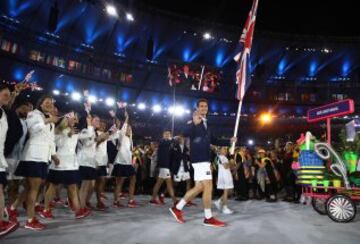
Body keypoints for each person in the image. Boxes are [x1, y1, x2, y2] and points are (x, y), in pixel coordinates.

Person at [169, 98, 236, 227]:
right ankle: (208, 217)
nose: (204, 108)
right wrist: (194, 123)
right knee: (208, 186)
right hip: (199, 159)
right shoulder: (194, 120)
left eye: (206, 106)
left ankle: (177, 208)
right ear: (197, 108)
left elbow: (214, 140)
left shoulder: (207, 124)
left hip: (204, 159)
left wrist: (229, 141)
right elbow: (184, 133)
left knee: (200, 187)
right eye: (201, 106)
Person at [15, 95, 59, 230]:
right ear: (40, 104)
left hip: (43, 157)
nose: (49, 104)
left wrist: (54, 155)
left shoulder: (50, 120)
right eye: (47, 102)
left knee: (30, 188)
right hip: (33, 156)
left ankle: (11, 208)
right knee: (34, 189)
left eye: (51, 103)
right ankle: (30, 220)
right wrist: (47, 121)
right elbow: (32, 129)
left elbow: (50, 140)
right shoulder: (34, 114)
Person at [40, 113, 90, 219]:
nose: (75, 121)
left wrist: (89, 124)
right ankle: (45, 210)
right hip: (60, 163)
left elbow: (88, 135)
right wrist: (67, 135)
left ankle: (78, 211)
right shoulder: (59, 130)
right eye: (73, 118)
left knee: (72, 187)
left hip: (71, 164)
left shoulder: (75, 131)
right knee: (53, 186)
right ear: (67, 119)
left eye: (76, 119)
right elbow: (58, 145)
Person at [0, 85, 19, 237]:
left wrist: (15, 94)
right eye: (4, 95)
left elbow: (8, 105)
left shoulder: (3, 112)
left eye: (8, 95)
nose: (8, 97)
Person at [112, 111, 138, 208]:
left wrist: (132, 162)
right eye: (128, 128)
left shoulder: (130, 139)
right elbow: (123, 127)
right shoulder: (121, 135)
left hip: (127, 163)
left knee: (133, 179)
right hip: (121, 162)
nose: (129, 129)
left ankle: (131, 200)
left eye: (130, 129)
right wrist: (127, 117)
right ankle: (116, 201)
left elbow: (130, 153)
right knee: (120, 182)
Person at [150, 130, 177, 206]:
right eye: (166, 134)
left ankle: (153, 199)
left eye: (169, 134)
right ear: (163, 135)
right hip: (163, 165)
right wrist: (172, 139)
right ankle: (174, 200)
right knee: (169, 184)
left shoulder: (169, 143)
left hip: (165, 166)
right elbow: (168, 142)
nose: (167, 135)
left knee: (159, 183)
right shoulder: (162, 141)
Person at [170, 135, 196, 206]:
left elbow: (188, 157)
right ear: (178, 140)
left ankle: (187, 199)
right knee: (175, 184)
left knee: (188, 181)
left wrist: (189, 161)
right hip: (177, 168)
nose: (182, 140)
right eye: (180, 139)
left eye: (183, 139)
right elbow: (172, 158)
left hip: (184, 168)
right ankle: (166, 194)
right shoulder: (174, 147)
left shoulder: (186, 148)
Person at [214, 146, 234, 214]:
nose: (226, 150)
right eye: (224, 149)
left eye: (226, 149)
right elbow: (226, 166)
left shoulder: (224, 157)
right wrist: (231, 162)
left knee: (229, 191)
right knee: (226, 192)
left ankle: (219, 201)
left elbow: (229, 167)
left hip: (226, 175)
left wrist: (231, 163)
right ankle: (225, 208)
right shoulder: (220, 157)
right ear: (219, 150)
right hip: (225, 176)